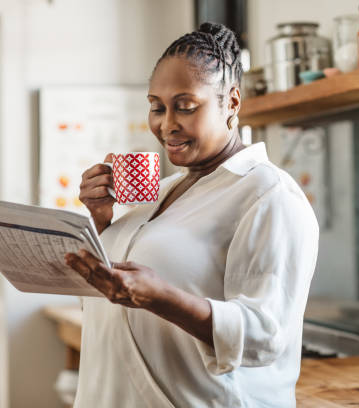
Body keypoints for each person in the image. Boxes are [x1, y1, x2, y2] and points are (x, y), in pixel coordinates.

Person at [64, 22, 319, 408]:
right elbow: (111, 307)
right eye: (157, 107)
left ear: (231, 102)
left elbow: (266, 335)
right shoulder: (163, 191)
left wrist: (162, 297)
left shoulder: (269, 195)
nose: (167, 125)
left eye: (185, 106)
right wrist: (101, 221)